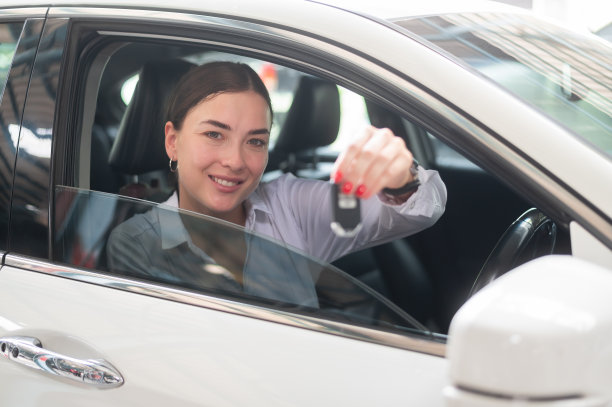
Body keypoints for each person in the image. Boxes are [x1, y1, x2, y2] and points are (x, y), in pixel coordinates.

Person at [107, 61, 447, 306]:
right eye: (214, 134)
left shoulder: (290, 206)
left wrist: (402, 177)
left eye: (255, 141)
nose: (236, 161)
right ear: (172, 141)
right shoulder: (136, 242)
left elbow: (418, 211)